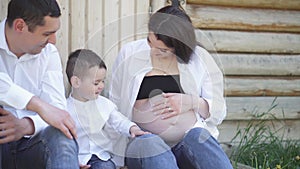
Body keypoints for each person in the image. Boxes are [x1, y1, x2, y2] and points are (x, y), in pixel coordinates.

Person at [109, 4, 233, 169]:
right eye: (149, 41)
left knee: (198, 137)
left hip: (186, 144)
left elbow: (219, 111)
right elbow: (113, 104)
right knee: (151, 144)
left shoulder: (200, 59)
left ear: (179, 47)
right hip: (144, 144)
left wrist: (191, 102)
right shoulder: (128, 54)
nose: (153, 51)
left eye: (162, 49)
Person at [0, 0, 79, 168]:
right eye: (46, 34)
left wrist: (27, 125)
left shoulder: (49, 53)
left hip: (32, 145)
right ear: (20, 26)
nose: (53, 41)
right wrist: (39, 106)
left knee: (62, 137)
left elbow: (58, 110)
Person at [65, 49, 149, 169]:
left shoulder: (105, 105)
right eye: (96, 83)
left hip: (101, 158)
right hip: (77, 159)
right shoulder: (64, 109)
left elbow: (119, 121)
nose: (101, 86)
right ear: (76, 82)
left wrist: (132, 128)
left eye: (103, 81)